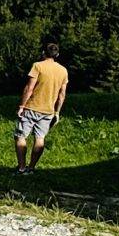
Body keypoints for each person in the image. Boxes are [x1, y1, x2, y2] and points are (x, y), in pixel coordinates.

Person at [15, 41, 69, 174]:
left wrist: (22, 106)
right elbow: (62, 95)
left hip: (32, 107)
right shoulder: (63, 71)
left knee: (21, 137)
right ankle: (31, 168)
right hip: (48, 111)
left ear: (43, 52)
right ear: (57, 54)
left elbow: (29, 88)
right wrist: (57, 112)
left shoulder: (37, 66)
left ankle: (21, 167)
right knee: (40, 138)